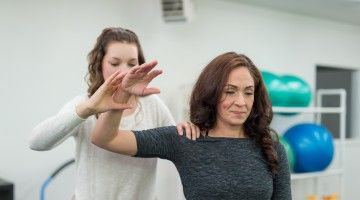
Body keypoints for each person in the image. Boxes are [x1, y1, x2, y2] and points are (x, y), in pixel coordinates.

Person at [89, 52, 292, 200]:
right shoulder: (186, 139)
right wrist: (123, 93)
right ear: (212, 93)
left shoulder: (272, 150)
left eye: (248, 92)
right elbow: (104, 138)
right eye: (230, 91)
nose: (241, 101)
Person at [28, 27, 198, 200]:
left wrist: (184, 130)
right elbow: (36, 142)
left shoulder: (152, 104)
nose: (125, 71)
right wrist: (87, 109)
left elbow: (176, 146)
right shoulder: (84, 103)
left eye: (132, 64)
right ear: (100, 64)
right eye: (115, 63)